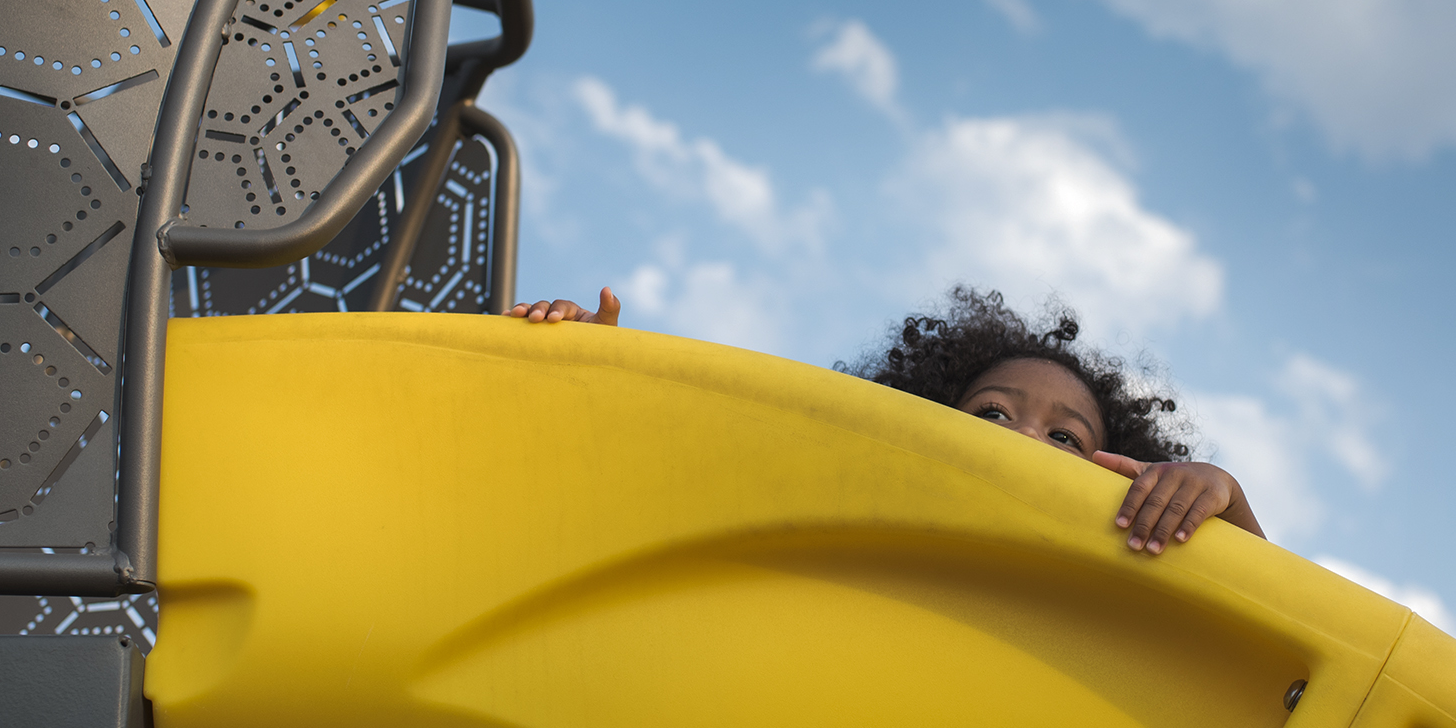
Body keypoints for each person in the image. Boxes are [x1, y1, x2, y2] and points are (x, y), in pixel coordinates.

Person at [505, 283, 1264, 553]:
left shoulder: (1120, 575)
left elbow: (1275, 655)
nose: (1025, 438)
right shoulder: (853, 524)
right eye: (993, 412)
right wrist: (588, 380)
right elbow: (668, 495)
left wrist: (1222, 506)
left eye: (1066, 437)